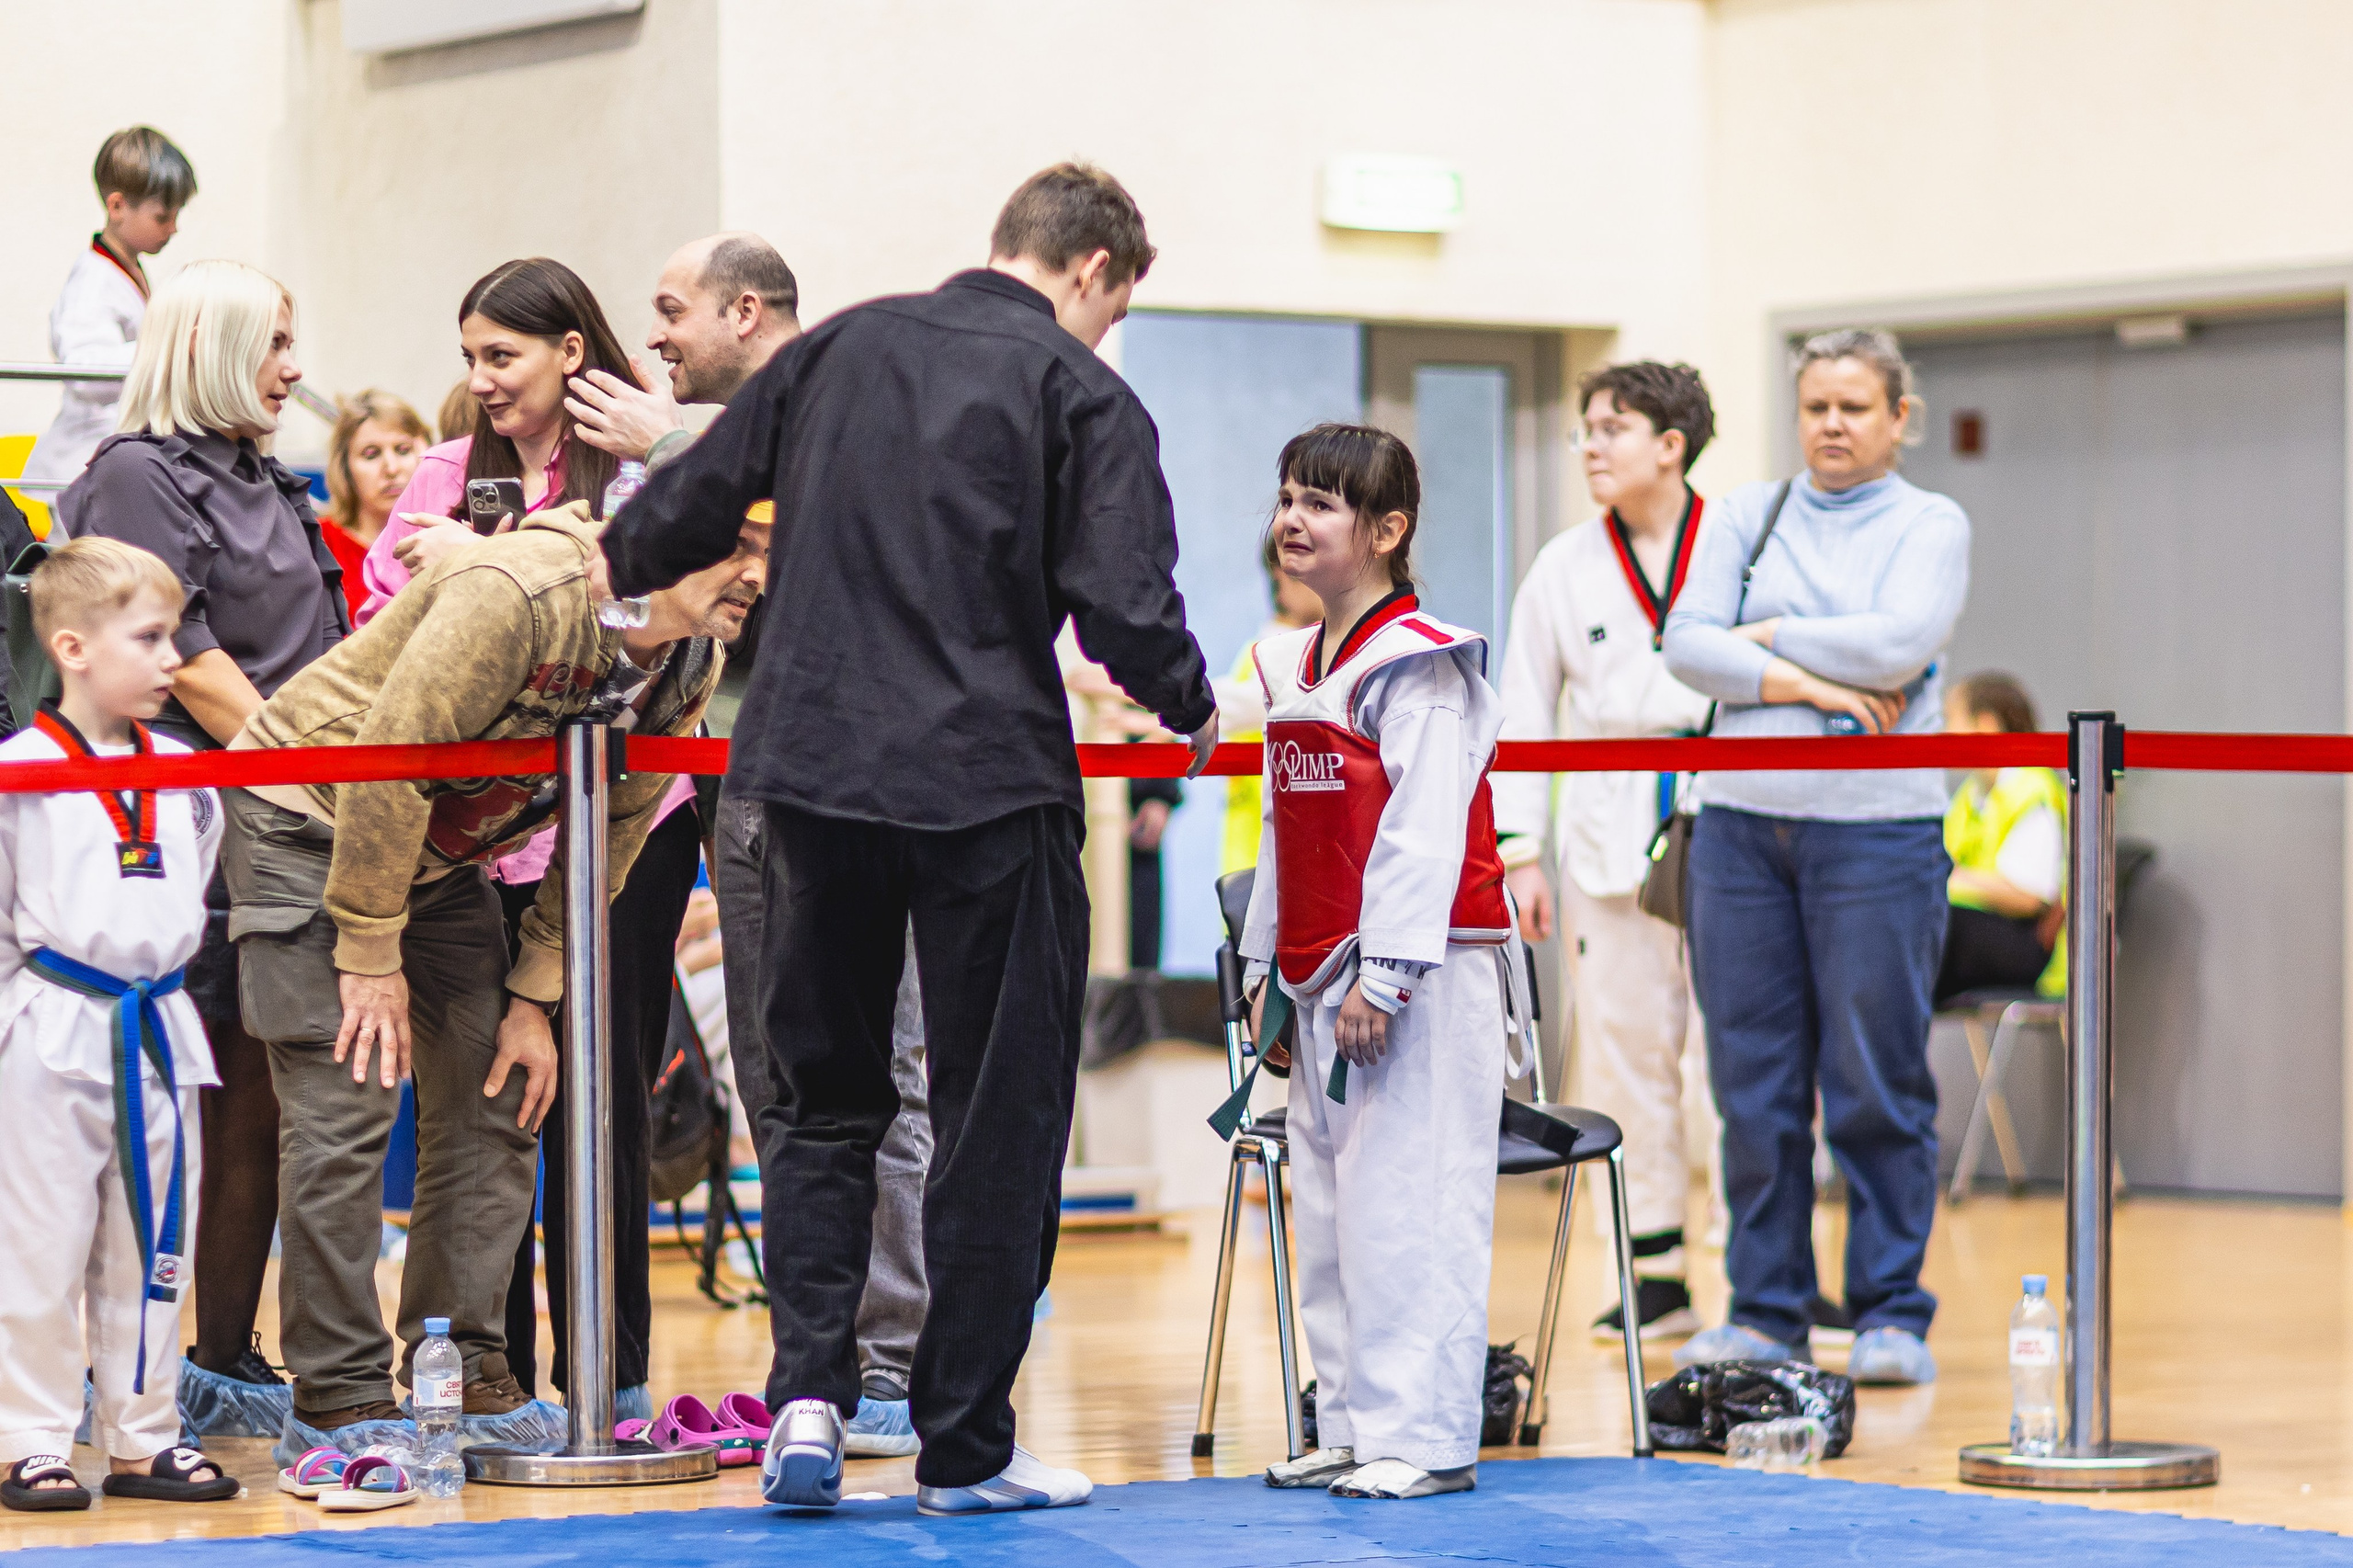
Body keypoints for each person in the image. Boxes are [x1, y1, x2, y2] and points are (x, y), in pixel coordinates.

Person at [600, 163, 1217, 1516]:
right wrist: (1192, 705)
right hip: (986, 789)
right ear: (1097, 273)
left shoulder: (838, 347)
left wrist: (613, 569)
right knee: (995, 1115)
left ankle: (808, 1399)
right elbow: (1123, 607)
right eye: (1111, 308)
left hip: (806, 776)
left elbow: (678, 511)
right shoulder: (1081, 390)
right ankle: (965, 1446)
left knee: (818, 1101)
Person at [223, 499, 755, 1459]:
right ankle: (335, 1397)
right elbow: (388, 759)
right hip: (308, 817)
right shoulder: (518, 590)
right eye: (742, 549)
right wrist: (369, 951)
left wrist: (534, 994)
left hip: (433, 852)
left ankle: (463, 1369)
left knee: (502, 1092)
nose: (760, 576)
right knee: (347, 1099)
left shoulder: (688, 658)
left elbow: (615, 829)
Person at [567, 230, 934, 1457]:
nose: (655, 334)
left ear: (744, 308)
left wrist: (671, 449)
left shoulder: (841, 392)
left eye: (671, 309)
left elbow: (848, 502)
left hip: (863, 784)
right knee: (786, 1086)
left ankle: (883, 1364)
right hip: (749, 776)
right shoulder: (724, 434)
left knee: (885, 1073)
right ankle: (817, 1370)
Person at [56, 258, 347, 1432]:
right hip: (193, 825)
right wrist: (321, 773)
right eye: (276, 340)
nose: (293, 366)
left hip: (287, 809)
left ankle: (224, 1354)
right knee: (186, 1097)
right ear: (214, 344)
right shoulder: (137, 473)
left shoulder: (265, 477)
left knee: (261, 1093)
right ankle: (138, 1369)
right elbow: (188, 657)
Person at [1662, 327, 1969, 1387]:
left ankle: (1890, 1308)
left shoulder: (1931, 521)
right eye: (1814, 407)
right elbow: (1682, 642)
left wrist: (1769, 632)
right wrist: (1808, 683)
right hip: (1740, 828)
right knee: (1751, 1084)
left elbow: (1900, 645)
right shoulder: (1746, 512)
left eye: (1853, 407)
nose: (1830, 425)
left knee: (1874, 1081)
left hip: (1878, 834)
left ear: (1897, 418)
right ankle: (1766, 1309)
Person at [1241, 425, 1523, 1500]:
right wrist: (1266, 966)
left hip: (1425, 969)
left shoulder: (1426, 662)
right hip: (1318, 974)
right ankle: (1353, 1420)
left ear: (1388, 529)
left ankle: (1428, 1436)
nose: (1291, 520)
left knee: (1414, 1200)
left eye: (1320, 502)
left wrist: (1387, 974)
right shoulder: (1291, 663)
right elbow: (1283, 829)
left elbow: (1422, 828)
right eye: (1286, 498)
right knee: (1328, 1204)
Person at [0, 538, 238, 1509]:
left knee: (153, 1243)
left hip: (158, 1019)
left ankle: (143, 1435)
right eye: (149, 637)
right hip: (50, 1022)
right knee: (40, 1242)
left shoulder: (184, 769)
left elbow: (200, 872)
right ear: (73, 647)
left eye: (174, 634)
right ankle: (28, 1436)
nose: (173, 658)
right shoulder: (19, 770)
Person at [1495, 361, 1719, 1344]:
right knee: (1627, 1049)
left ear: (1670, 445)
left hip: (1726, 811)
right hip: (1603, 830)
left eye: (1612, 428)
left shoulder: (1738, 546)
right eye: (1584, 427)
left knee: (1747, 1057)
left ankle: (1767, 1266)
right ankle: (1653, 1265)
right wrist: (1518, 849)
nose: (1589, 445)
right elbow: (1520, 705)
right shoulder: (1562, 564)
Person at [356, 256, 635, 619]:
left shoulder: (630, 473)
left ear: (570, 352)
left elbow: (637, 621)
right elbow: (376, 629)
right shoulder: (442, 471)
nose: (477, 383)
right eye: (471, 359)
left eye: (500, 357)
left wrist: (478, 562)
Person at [21, 128, 196, 494]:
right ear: (117, 206)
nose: (174, 228)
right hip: (78, 469)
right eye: (163, 216)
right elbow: (86, 373)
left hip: (108, 461)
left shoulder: (123, 269)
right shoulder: (93, 281)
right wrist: (170, 345)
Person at [1937, 672, 2065, 1005]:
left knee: (1924, 927)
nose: (1943, 732)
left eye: (1952, 718)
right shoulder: (1970, 795)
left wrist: (1954, 878)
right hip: (1977, 932)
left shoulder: (2030, 787)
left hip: (2027, 946)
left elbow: (2030, 897)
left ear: (1985, 724)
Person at [1215, 535, 1322, 875]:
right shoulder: (1268, 655)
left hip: (1280, 857)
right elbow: (1238, 704)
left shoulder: (1311, 655)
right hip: (1259, 857)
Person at [320, 392, 430, 621]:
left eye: (403, 450)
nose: (391, 468)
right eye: (371, 454)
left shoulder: (442, 538)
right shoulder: (318, 542)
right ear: (345, 468)